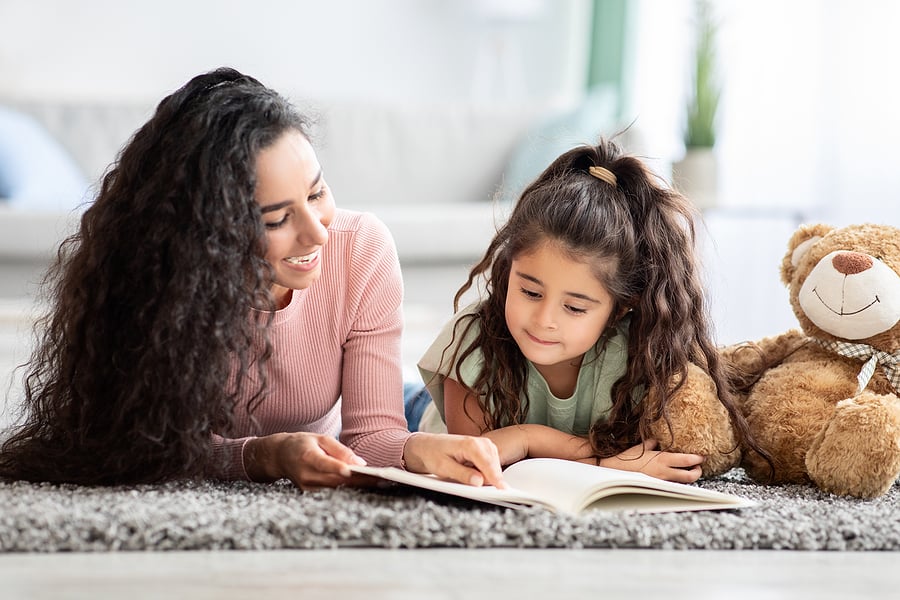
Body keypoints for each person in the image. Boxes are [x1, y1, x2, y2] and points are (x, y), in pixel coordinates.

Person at [0, 67, 503, 489]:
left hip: (398, 401)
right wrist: (265, 456)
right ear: (205, 234)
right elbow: (141, 446)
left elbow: (371, 439)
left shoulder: (362, 248)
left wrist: (417, 450)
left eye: (317, 193)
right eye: (276, 220)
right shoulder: (159, 288)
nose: (316, 234)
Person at [416, 137, 765, 483]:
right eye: (530, 292)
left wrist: (526, 440)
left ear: (620, 309)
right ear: (509, 269)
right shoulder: (473, 340)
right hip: (424, 415)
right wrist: (588, 458)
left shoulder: (636, 354)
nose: (544, 320)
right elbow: (476, 457)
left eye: (574, 307)